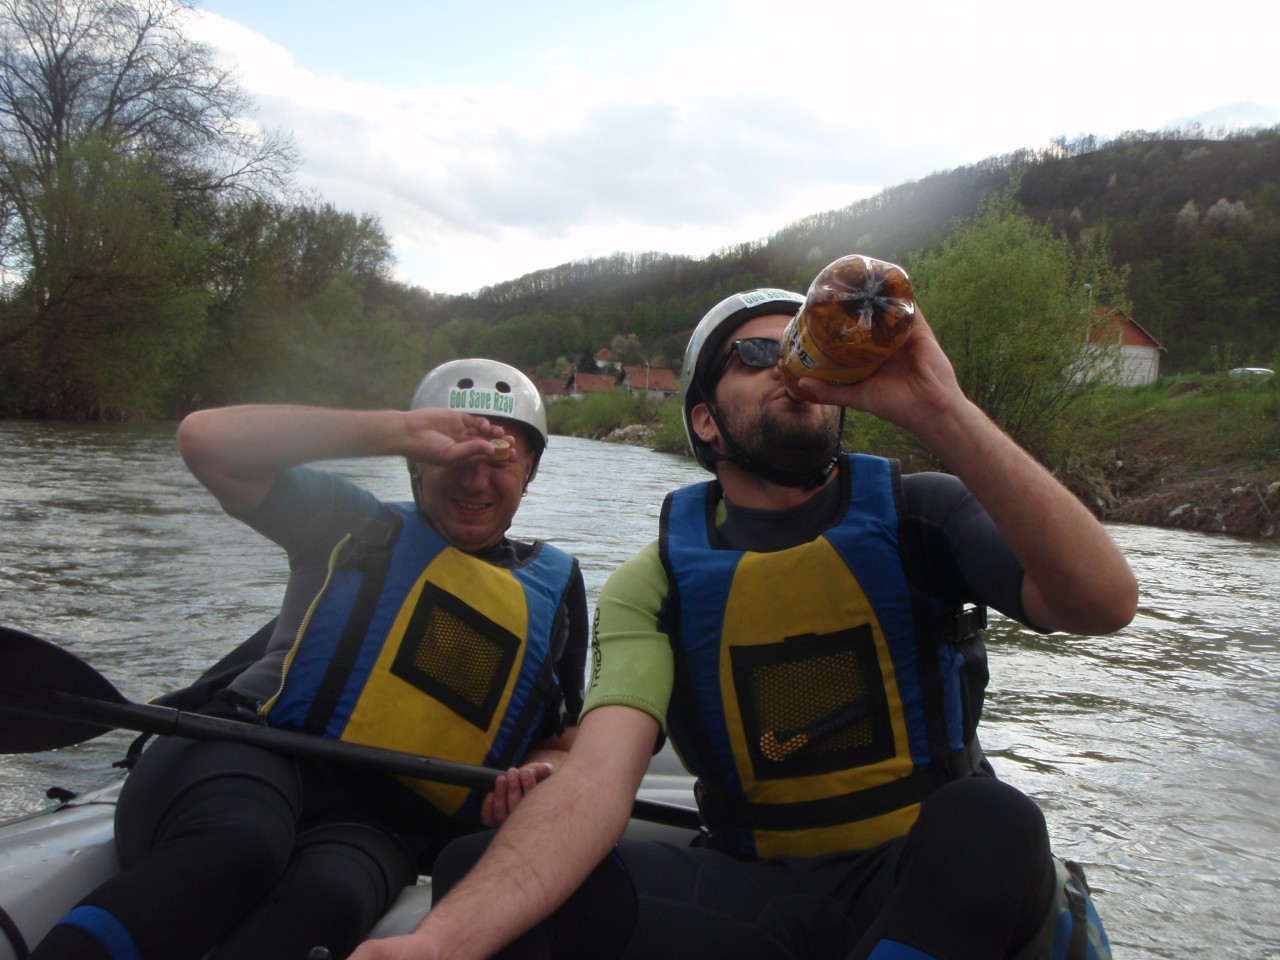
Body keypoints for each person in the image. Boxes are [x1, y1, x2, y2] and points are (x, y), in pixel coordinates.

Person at [351, 291, 1138, 960]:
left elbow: (1102, 602)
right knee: (475, 873)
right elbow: (597, 779)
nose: (788, 366)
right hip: (762, 893)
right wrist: (439, 943)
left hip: (925, 878)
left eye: (803, 349)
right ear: (705, 419)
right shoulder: (654, 583)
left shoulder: (922, 513)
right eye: (758, 355)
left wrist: (943, 410)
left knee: (993, 821)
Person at [31, 359, 588, 960]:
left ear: (530, 471)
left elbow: (559, 740)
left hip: (379, 823)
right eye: (456, 456)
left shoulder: (555, 592)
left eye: (499, 459)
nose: (475, 481)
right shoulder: (350, 524)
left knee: (330, 899)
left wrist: (535, 777)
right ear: (417, 463)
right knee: (240, 846)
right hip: (248, 753)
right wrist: (400, 430)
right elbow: (205, 441)